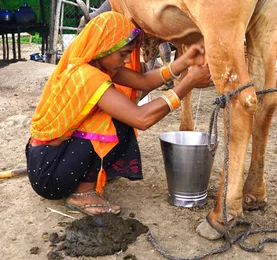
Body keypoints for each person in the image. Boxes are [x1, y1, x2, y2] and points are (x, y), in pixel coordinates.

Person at [26, 11, 212, 216]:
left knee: (118, 114)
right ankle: (82, 193)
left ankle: (88, 178)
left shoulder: (94, 64)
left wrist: (184, 61)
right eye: (123, 54)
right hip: (49, 177)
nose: (126, 60)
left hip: (46, 161)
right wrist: (188, 83)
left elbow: (143, 82)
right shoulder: (89, 76)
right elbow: (142, 119)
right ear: (105, 47)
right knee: (117, 117)